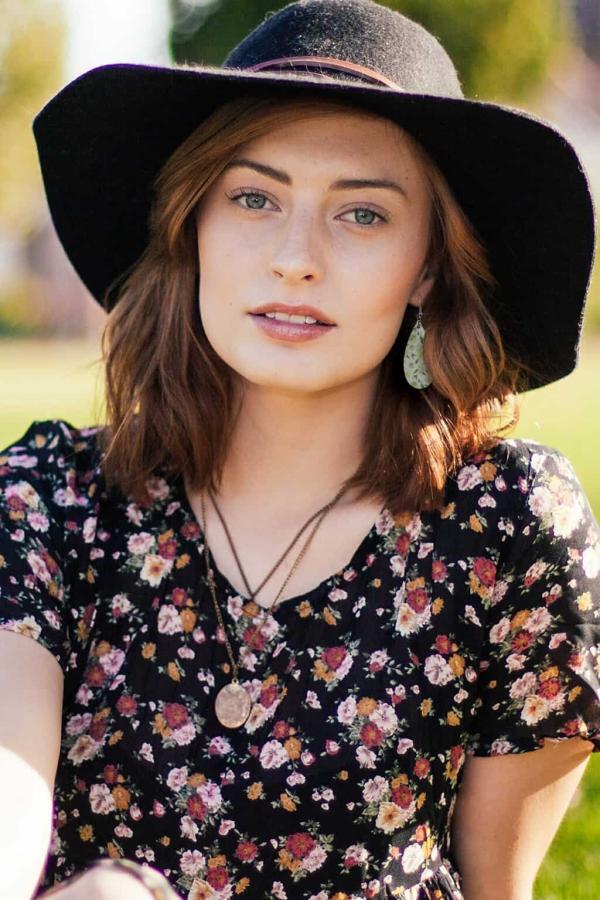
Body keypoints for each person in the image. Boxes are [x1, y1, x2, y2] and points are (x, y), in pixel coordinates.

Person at [1, 0, 599, 898]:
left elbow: (495, 888)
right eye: (253, 198)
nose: (295, 258)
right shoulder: (50, 500)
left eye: (361, 215)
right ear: (192, 225)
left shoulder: (510, 526)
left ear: (428, 266)